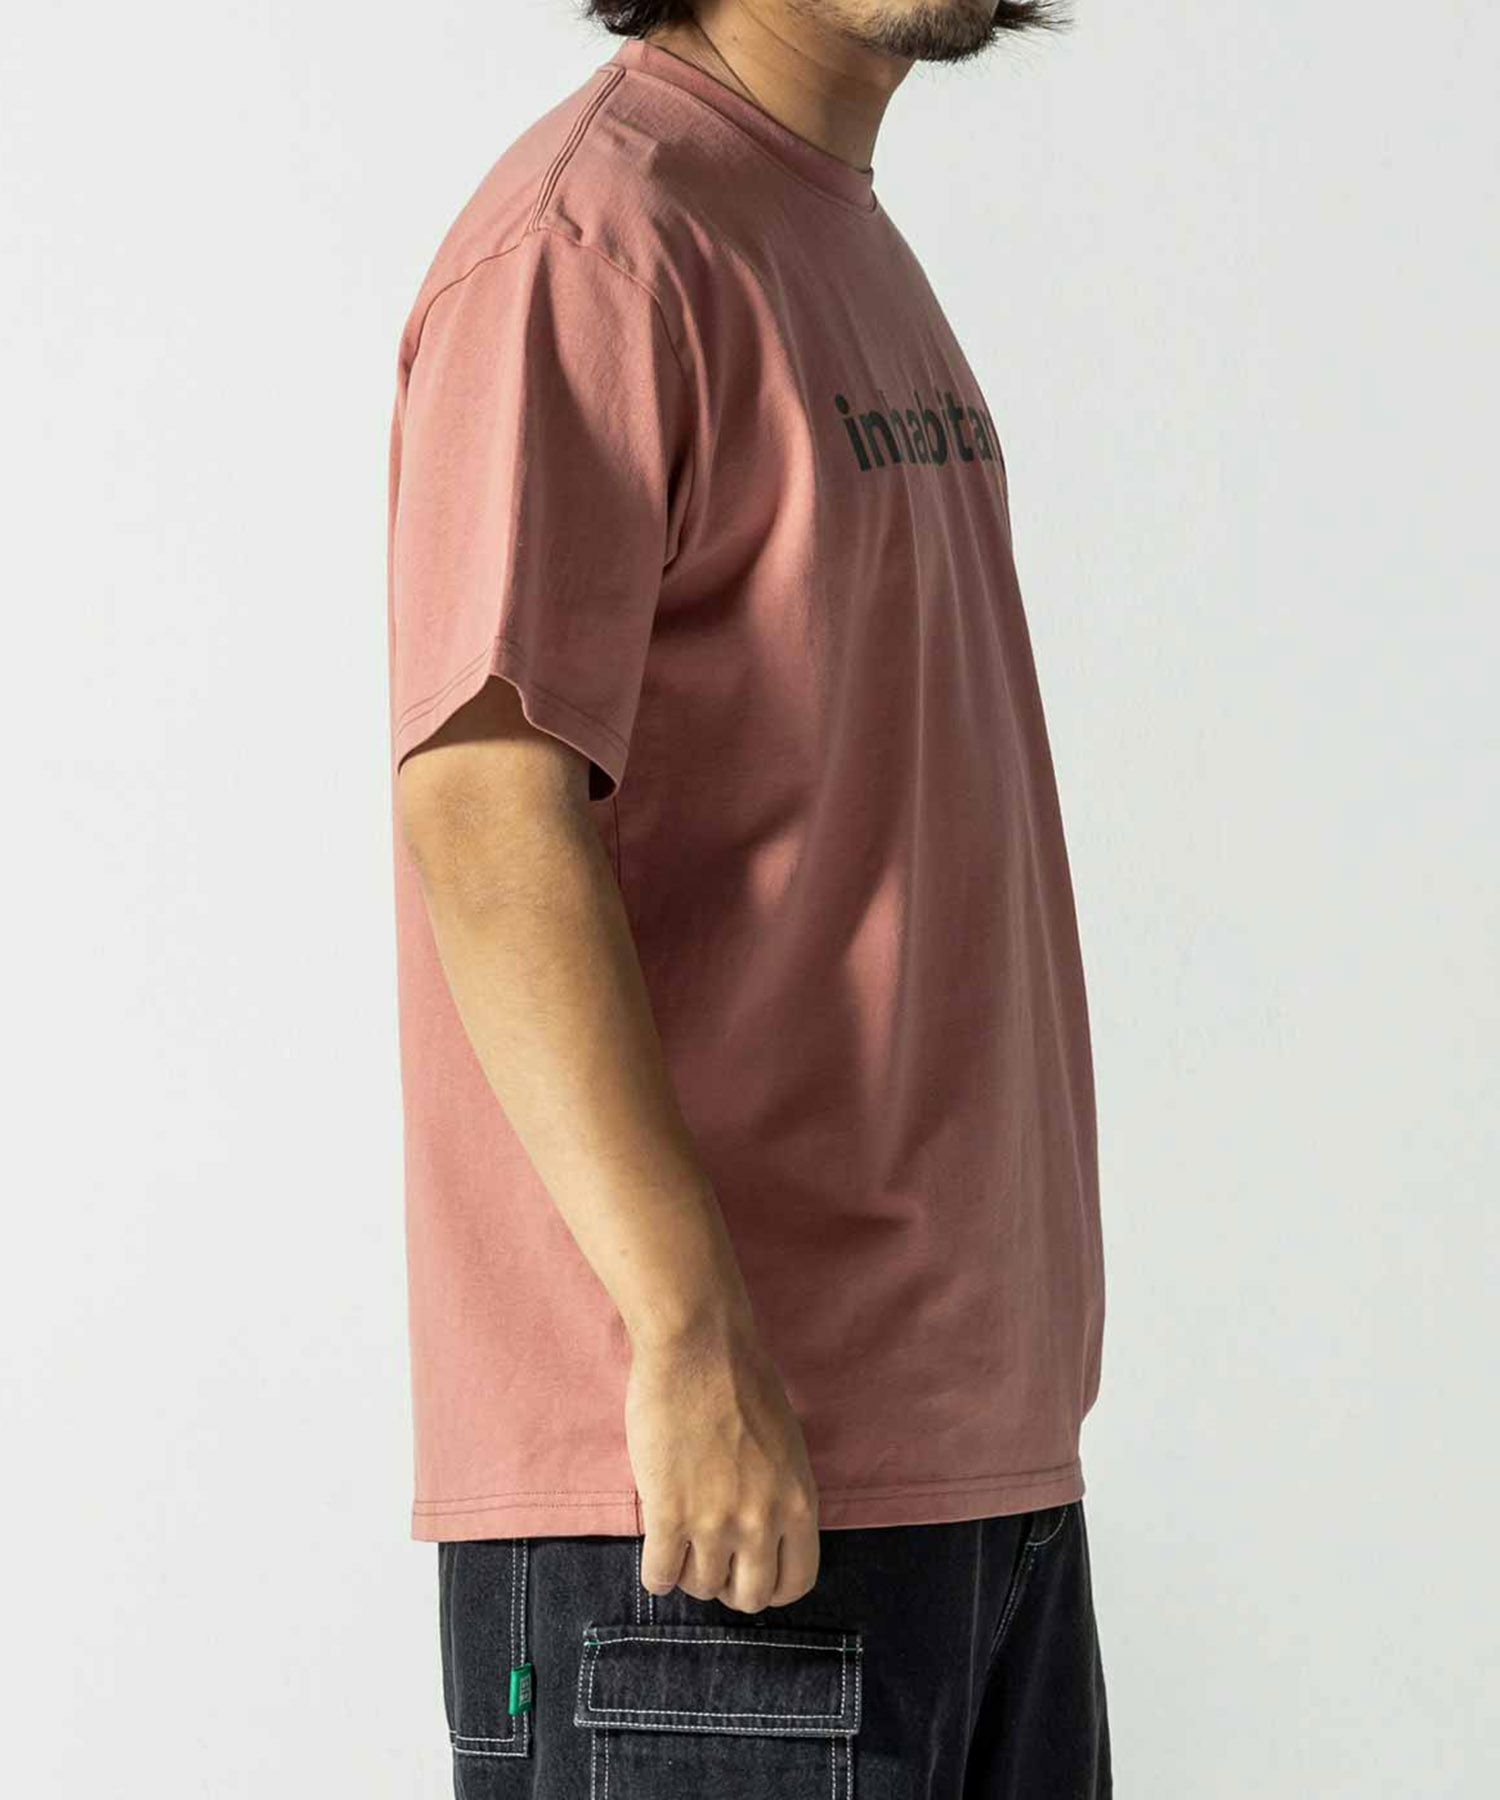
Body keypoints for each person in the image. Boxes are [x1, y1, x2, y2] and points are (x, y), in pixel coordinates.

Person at [386, 2, 1109, 1793]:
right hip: (702, 1516)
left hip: (968, 1476)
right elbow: (484, 806)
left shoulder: (830, 234)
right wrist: (690, 1333)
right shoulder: (591, 246)